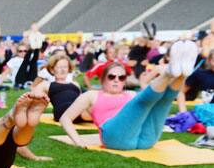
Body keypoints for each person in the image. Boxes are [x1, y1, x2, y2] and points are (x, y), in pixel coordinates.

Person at [58, 55, 192, 151]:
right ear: (103, 79)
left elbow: (152, 92)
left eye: (121, 77)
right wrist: (78, 142)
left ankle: (183, 73)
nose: (116, 80)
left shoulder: (130, 94)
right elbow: (65, 118)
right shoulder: (92, 95)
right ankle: (168, 73)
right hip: (113, 137)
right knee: (142, 102)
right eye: (111, 77)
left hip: (144, 141)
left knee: (163, 103)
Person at [32, 52, 88, 122]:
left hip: (77, 108)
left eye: (65, 67)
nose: (63, 70)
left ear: (68, 69)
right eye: (59, 67)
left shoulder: (75, 84)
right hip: (62, 110)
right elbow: (33, 97)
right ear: (52, 70)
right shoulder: (46, 84)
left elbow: (82, 101)